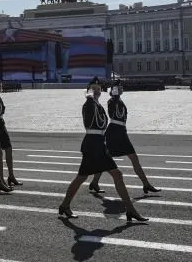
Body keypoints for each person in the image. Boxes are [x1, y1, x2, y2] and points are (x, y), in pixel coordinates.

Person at [57, 77, 148, 222]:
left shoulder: (97, 104)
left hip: (98, 143)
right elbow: (91, 118)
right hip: (93, 145)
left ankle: (65, 205)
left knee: (88, 176)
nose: (97, 91)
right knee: (91, 176)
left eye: (99, 89)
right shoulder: (89, 104)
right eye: (94, 89)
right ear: (88, 91)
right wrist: (89, 97)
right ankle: (130, 210)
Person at [87, 79, 160, 195]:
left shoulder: (119, 100)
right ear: (114, 90)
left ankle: (146, 184)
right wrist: (115, 97)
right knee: (105, 159)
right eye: (118, 88)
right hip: (114, 133)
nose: (121, 89)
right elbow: (112, 114)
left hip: (122, 132)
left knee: (134, 159)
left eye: (121, 87)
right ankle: (94, 182)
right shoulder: (112, 101)